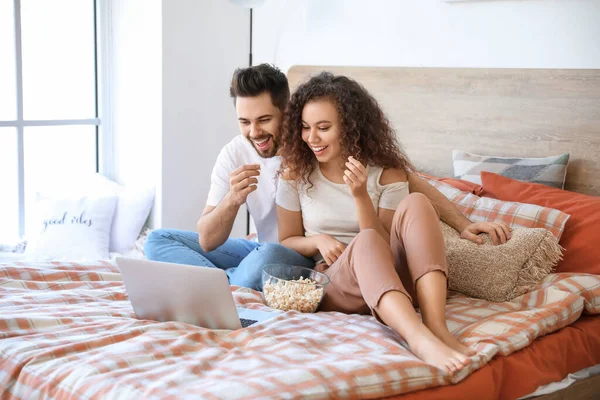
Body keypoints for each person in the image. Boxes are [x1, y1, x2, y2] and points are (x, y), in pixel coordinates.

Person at [145, 64, 509, 293]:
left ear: (287, 111)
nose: (254, 132)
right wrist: (231, 200)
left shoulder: (315, 147)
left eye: (264, 120)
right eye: (244, 122)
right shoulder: (234, 153)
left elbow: (410, 181)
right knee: (159, 241)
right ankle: (228, 283)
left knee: (269, 254)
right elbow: (208, 239)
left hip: (293, 254)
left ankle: (221, 285)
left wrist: (462, 224)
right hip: (260, 247)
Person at [276, 72, 511, 374]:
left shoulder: (386, 173)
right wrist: (317, 240)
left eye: (323, 128)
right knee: (367, 240)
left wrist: (360, 195)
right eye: (305, 128)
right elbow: (287, 239)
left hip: (391, 281)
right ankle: (418, 339)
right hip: (340, 284)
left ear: (350, 128)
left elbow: (383, 244)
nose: (312, 138)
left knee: (416, 203)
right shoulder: (295, 173)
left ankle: (436, 326)